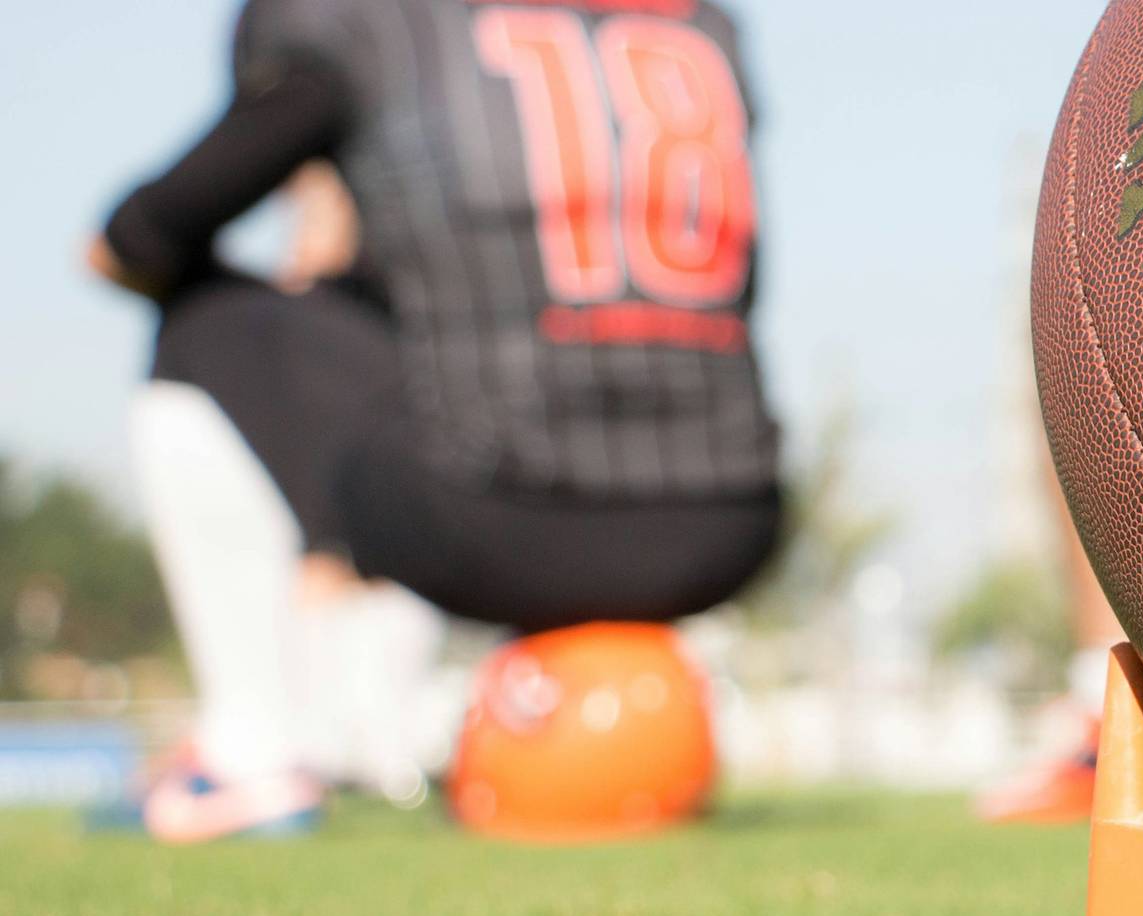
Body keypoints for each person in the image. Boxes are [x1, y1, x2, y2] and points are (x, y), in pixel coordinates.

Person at [89, 0, 781, 842]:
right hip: (729, 522)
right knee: (425, 354)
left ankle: (250, 753)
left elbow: (141, 236)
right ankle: (375, 724)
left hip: (501, 515)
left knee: (204, 322)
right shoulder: (703, 24)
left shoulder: (380, 21)